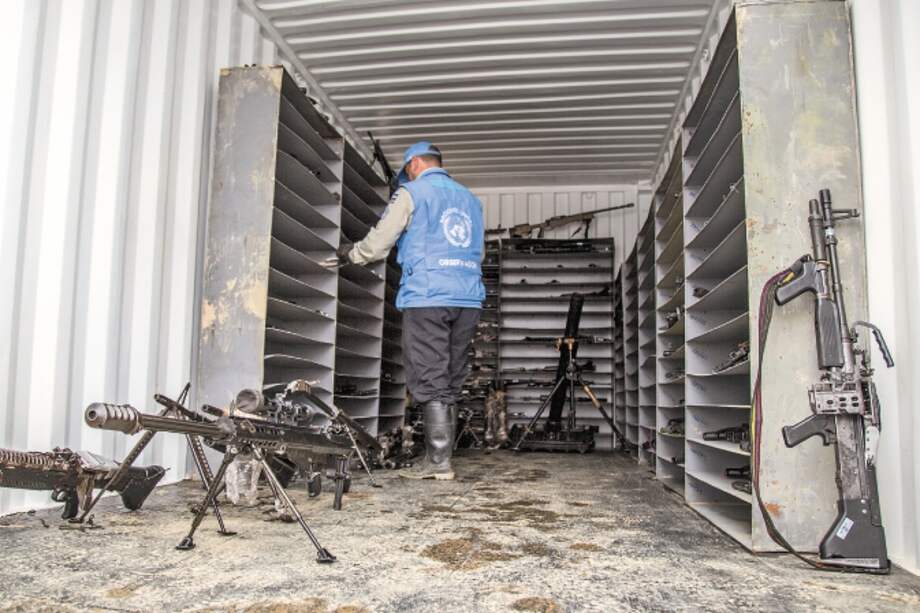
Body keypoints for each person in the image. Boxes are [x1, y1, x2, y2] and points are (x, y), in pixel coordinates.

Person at [328, 141, 485, 480]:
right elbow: (477, 250)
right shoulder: (471, 200)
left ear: (414, 164)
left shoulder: (412, 192)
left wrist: (350, 254)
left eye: (406, 171)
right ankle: (441, 456)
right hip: (468, 297)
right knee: (451, 376)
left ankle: (439, 463)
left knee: (429, 375)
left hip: (428, 296)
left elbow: (380, 241)